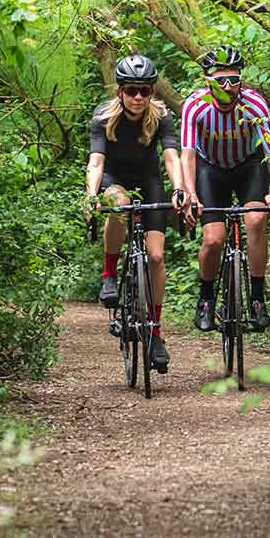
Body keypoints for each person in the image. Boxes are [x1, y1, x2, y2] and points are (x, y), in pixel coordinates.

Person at [83, 54, 187, 373]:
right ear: (120, 92)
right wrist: (91, 195)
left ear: (152, 90)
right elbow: (97, 162)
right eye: (131, 90)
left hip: (149, 182)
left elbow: (171, 157)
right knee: (117, 204)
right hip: (116, 180)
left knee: (156, 258)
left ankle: (155, 331)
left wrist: (180, 188)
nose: (138, 97)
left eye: (144, 90)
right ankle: (110, 275)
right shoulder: (103, 117)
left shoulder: (161, 116)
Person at [180, 45, 270, 333]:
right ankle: (206, 299)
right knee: (213, 239)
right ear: (208, 82)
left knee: (256, 219)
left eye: (234, 79)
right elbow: (188, 155)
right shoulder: (195, 106)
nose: (229, 87)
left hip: (247, 165)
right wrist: (190, 194)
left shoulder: (254, 103)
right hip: (210, 169)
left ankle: (257, 298)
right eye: (221, 81)